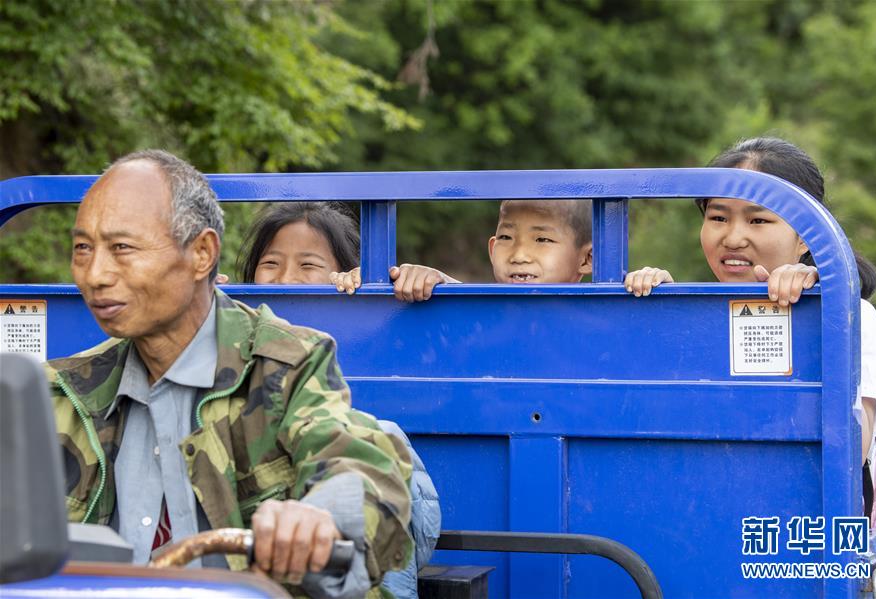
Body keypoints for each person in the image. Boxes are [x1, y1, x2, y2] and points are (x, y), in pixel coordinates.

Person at [47, 149, 412, 598]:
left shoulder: (288, 364)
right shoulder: (60, 391)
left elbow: (359, 466)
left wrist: (318, 520)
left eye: (122, 248)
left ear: (202, 254)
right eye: (83, 249)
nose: (96, 274)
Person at [623, 137, 876, 524]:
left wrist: (812, 307)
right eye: (718, 217)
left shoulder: (851, 317)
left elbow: (848, 453)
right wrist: (654, 307)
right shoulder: (687, 319)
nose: (733, 237)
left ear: (805, 235)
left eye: (758, 219)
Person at [235, 202, 442, 599]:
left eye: (308, 265)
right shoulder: (232, 337)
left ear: (345, 273)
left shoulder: (366, 323)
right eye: (271, 263)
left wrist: (392, 286)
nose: (285, 281)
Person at [331, 199, 593, 301]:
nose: (518, 255)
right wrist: (431, 280)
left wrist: (636, 285)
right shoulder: (482, 311)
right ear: (491, 249)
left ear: (587, 258)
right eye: (506, 236)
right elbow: (465, 300)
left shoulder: (605, 311)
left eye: (542, 240)